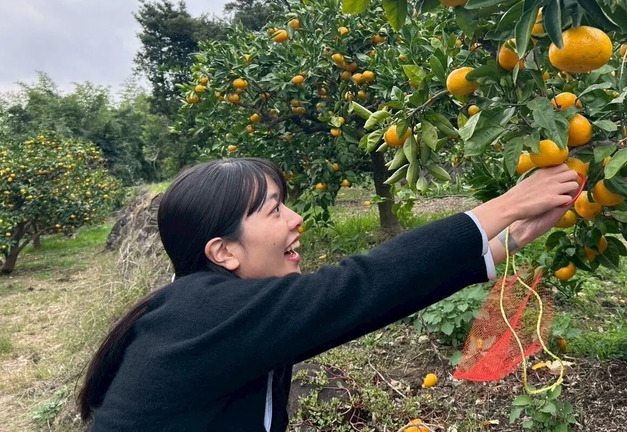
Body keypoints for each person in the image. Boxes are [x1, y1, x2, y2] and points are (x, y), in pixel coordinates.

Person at [78, 157, 579, 431]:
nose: (296, 219)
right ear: (224, 251)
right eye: (274, 211)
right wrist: (508, 204)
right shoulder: (202, 316)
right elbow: (360, 287)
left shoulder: (209, 309)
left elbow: (364, 302)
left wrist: (510, 240)